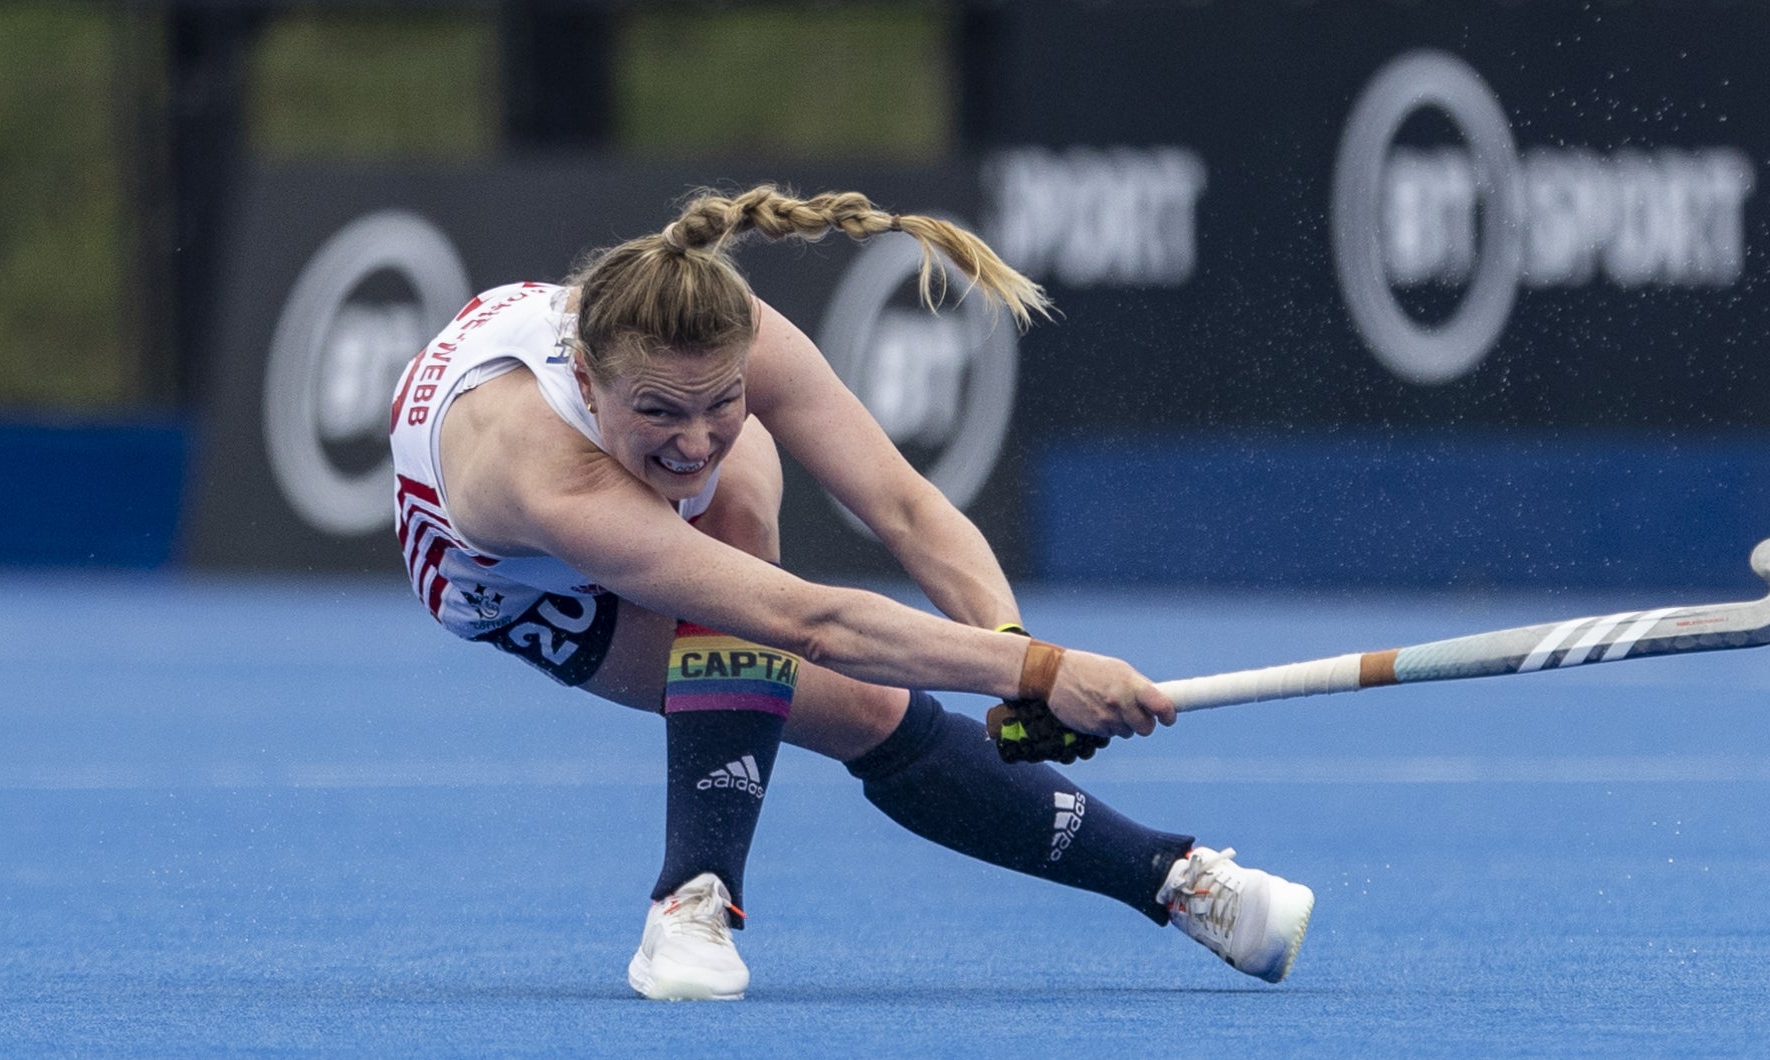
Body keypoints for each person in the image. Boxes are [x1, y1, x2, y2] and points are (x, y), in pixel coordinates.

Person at [386, 185, 1312, 1000]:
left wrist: (1010, 650)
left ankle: (1176, 880)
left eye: (720, 400)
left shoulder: (730, 337)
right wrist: (1043, 668)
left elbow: (906, 509)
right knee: (850, 693)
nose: (695, 440)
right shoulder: (549, 475)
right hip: (510, 580)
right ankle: (689, 901)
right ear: (589, 380)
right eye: (660, 411)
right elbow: (808, 622)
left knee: (742, 493)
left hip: (624, 452)